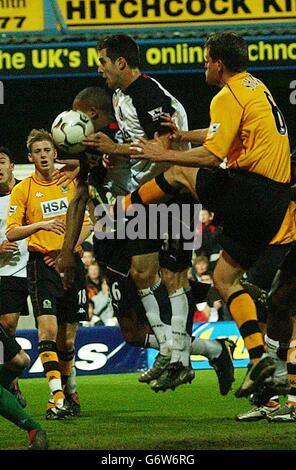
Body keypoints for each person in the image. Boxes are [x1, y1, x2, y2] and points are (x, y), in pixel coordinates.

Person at [121, 31, 295, 399]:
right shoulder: (255, 87)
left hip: (252, 188)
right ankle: (261, 357)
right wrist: (183, 133)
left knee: (180, 173)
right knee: (224, 278)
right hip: (276, 200)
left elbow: (211, 157)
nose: (203, 65)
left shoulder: (226, 95)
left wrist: (162, 153)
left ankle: (121, 210)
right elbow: (221, 136)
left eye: (205, 59)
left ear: (218, 63)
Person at [57, 86, 236, 396]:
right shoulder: (88, 149)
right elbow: (80, 198)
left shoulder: (121, 138)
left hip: (137, 219)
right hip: (109, 237)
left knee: (158, 277)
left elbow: (154, 152)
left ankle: (177, 354)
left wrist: (116, 150)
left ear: (92, 115)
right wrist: (67, 251)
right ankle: (213, 350)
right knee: (132, 332)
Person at [6, 129, 90, 419]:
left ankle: (71, 390)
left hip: (72, 264)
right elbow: (12, 231)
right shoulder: (23, 189)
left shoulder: (71, 182)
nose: (43, 155)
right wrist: (39, 226)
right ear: (31, 157)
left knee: (67, 340)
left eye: (47, 150)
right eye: (37, 152)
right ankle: (56, 398)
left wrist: (68, 251)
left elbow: (88, 224)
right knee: (48, 332)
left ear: (56, 153)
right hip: (41, 265)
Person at [0, 147, 28, 408]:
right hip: (0, 268)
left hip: (22, 270)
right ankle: (11, 383)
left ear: (11, 166)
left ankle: (65, 392)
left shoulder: (24, 192)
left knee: (8, 325)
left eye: (1, 162)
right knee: (5, 327)